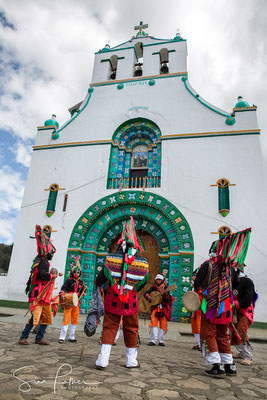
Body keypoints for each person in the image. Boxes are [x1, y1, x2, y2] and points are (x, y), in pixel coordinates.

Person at [194, 228, 251, 378]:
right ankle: (229, 365)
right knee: (222, 335)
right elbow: (235, 284)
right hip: (226, 306)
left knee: (209, 334)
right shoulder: (230, 268)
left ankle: (216, 365)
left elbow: (198, 283)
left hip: (211, 306)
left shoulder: (207, 265)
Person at [95, 216, 149, 369]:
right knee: (131, 328)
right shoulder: (142, 262)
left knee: (109, 327)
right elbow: (143, 282)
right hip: (130, 300)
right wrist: (130, 289)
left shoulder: (110, 259)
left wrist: (101, 286)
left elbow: (100, 278)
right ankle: (131, 361)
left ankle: (102, 360)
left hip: (112, 298)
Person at [18, 225, 57, 346]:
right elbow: (41, 275)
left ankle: (39, 337)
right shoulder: (41, 261)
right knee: (35, 317)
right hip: (38, 294)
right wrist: (51, 276)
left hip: (44, 295)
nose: (52, 254)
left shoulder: (42, 260)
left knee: (46, 317)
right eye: (51, 252)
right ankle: (23, 337)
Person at [231, 267, 256, 366]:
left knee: (241, 331)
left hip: (245, 311)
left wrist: (235, 303)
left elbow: (248, 299)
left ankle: (248, 356)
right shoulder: (232, 282)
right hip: (235, 311)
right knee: (234, 331)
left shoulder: (248, 282)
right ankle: (242, 353)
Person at [58, 257, 87, 343]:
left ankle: (71, 336)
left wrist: (85, 291)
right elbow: (63, 288)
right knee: (66, 319)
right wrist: (62, 293)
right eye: (75, 272)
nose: (76, 273)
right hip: (69, 302)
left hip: (76, 303)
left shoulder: (82, 283)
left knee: (74, 319)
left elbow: (82, 292)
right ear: (72, 272)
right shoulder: (68, 281)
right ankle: (62, 337)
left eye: (78, 272)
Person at [144, 273, 173, 346]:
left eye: (160, 280)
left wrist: (166, 295)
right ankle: (153, 340)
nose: (158, 281)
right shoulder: (153, 287)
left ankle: (161, 340)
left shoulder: (166, 288)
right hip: (155, 308)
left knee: (163, 324)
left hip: (163, 308)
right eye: (157, 280)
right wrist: (148, 297)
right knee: (153, 324)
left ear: (162, 280)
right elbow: (146, 293)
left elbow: (168, 300)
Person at [190, 268, 201, 350]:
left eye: (195, 276)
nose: (193, 278)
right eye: (193, 276)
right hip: (194, 309)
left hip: (200, 309)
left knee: (200, 326)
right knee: (195, 327)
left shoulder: (201, 286)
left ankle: (202, 344)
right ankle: (199, 343)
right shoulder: (193, 286)